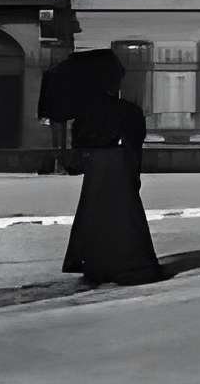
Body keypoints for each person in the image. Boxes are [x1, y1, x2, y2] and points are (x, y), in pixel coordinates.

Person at [62, 60, 161, 286]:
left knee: (95, 214)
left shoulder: (86, 113)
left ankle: (97, 263)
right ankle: (129, 261)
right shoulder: (128, 110)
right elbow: (136, 140)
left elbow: (79, 143)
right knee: (124, 214)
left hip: (97, 167)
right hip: (120, 164)